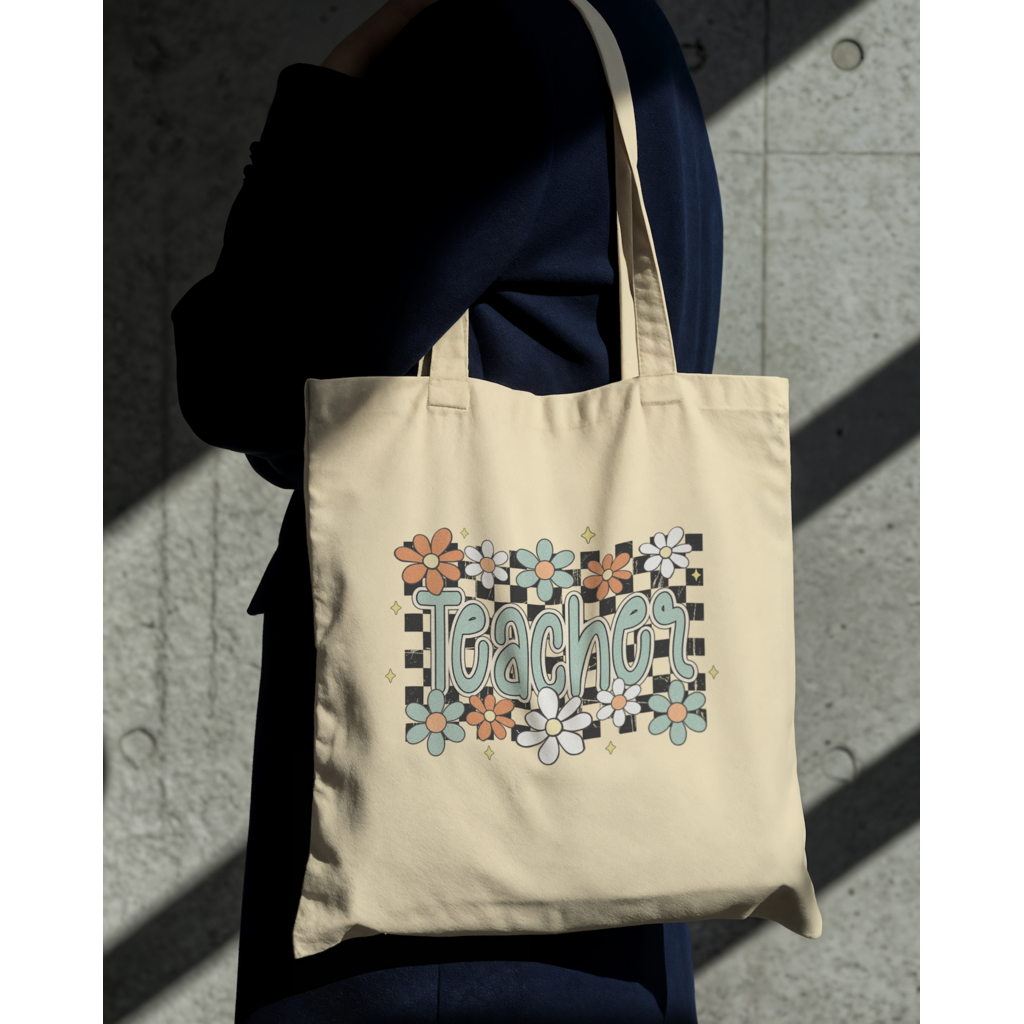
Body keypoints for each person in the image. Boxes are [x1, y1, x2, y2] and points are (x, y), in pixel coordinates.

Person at [171, 0, 722, 1020]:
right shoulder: (624, 33)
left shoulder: (482, 47)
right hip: (595, 849)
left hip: (434, 931)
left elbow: (248, 376)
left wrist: (331, 88)